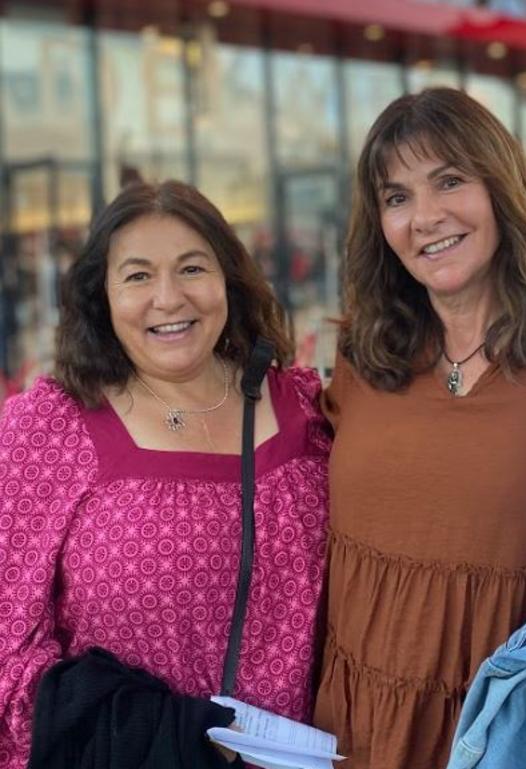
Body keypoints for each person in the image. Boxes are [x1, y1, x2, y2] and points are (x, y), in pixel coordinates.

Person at [312, 87, 526, 769]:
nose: (426, 216)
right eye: (397, 197)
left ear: (500, 188)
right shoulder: (364, 356)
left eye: (449, 181)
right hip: (353, 730)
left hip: (509, 734)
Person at [0, 181, 332, 767]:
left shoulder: (306, 413)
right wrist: (175, 740)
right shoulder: (49, 429)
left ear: (228, 280)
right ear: (101, 296)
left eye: (191, 268)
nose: (169, 298)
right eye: (137, 276)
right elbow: (8, 651)